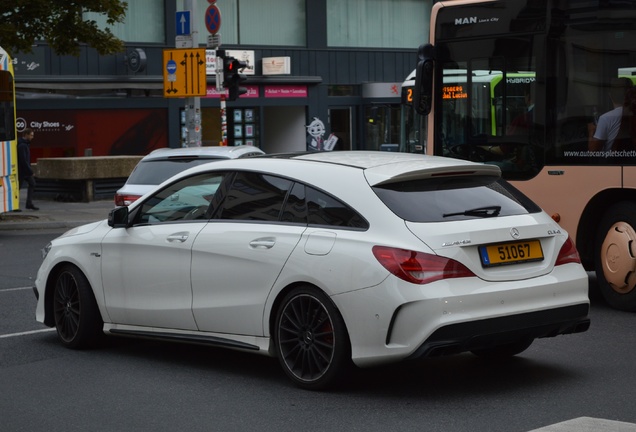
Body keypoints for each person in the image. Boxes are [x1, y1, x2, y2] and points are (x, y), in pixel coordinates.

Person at [588, 77, 633, 152]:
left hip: (612, 162)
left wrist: (591, 131)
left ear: (610, 95)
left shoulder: (606, 118)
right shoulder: (632, 114)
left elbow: (593, 151)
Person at [17, 128, 39, 210]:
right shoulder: (22, 145)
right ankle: (15, 205)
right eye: (31, 135)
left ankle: (29, 203)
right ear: (26, 134)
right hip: (22, 170)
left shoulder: (25, 144)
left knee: (32, 183)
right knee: (18, 187)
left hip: (24, 170)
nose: (32, 137)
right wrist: (30, 171)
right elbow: (23, 160)